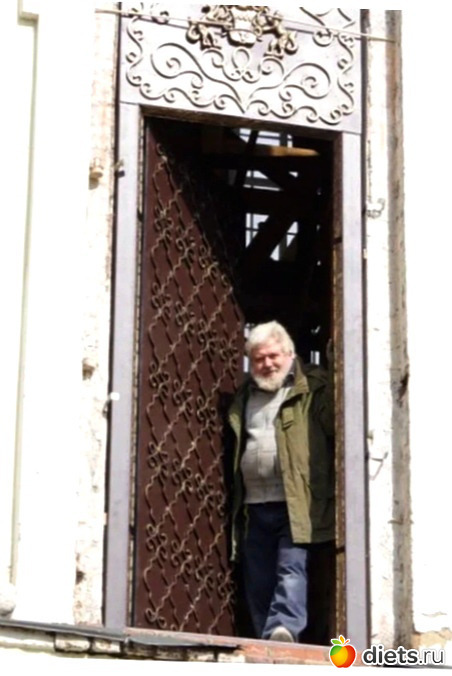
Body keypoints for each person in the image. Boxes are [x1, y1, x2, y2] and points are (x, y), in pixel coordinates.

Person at [227, 320, 334, 643]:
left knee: (291, 567)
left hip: (296, 498)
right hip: (253, 503)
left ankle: (284, 628)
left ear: (289, 354)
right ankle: (268, 640)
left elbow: (335, 426)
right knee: (258, 576)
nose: (267, 364)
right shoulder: (244, 397)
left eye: (273, 356)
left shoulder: (313, 387)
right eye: (259, 359)